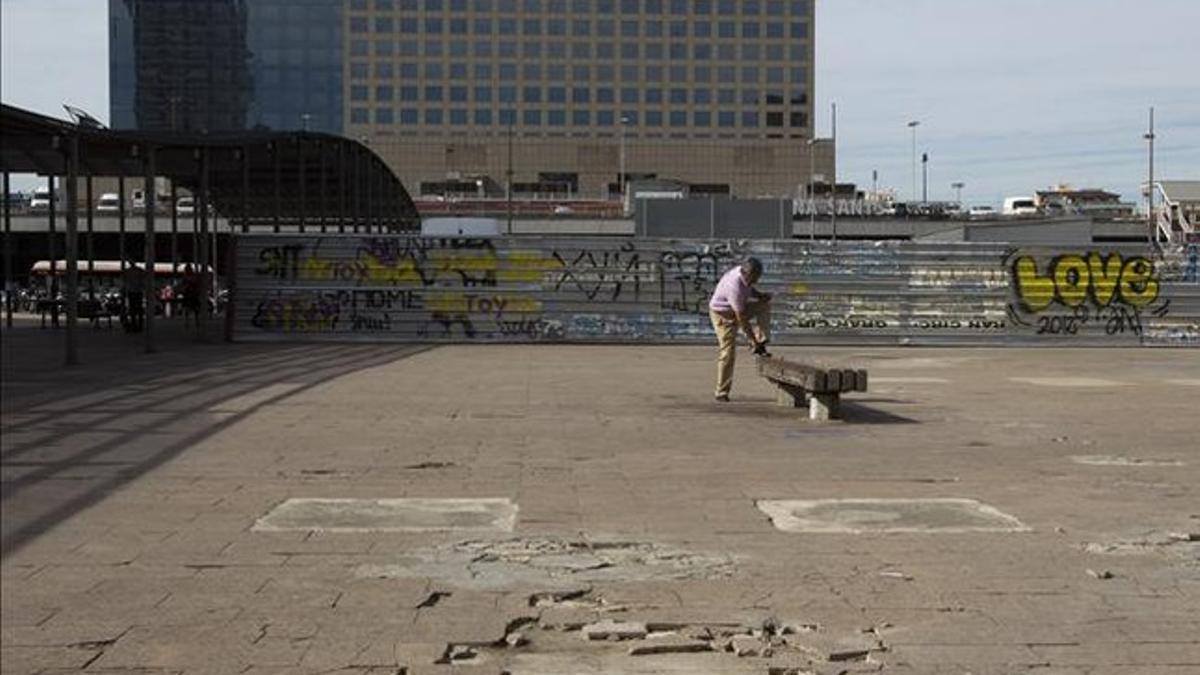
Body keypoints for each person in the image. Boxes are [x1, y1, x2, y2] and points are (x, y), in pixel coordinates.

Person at [708, 257, 773, 402]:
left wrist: (760, 296)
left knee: (764, 305)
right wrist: (752, 340)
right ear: (745, 274)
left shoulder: (745, 274)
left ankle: (761, 343)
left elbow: (750, 289)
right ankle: (721, 392)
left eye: (757, 278)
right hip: (722, 316)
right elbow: (742, 319)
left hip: (737, 309)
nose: (755, 281)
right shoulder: (734, 286)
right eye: (753, 279)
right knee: (728, 353)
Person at [122, 260, 146, 333]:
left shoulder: (127, 271)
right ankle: (139, 325)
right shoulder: (140, 270)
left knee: (133, 309)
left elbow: (124, 280)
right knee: (139, 309)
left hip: (131, 292)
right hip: (138, 291)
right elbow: (144, 278)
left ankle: (134, 324)